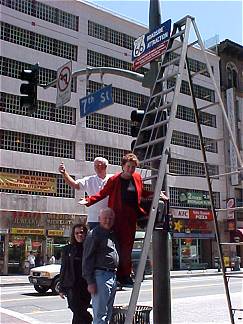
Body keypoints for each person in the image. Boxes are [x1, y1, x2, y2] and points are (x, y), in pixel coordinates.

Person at [79, 153, 154, 286]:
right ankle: (116, 274)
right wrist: (89, 200)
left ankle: (125, 275)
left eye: (133, 167)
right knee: (116, 246)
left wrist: (157, 194)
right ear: (123, 166)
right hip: (117, 218)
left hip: (131, 218)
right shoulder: (114, 179)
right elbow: (103, 193)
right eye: (129, 166)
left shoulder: (137, 177)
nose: (131, 169)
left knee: (127, 248)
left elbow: (142, 193)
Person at [82, 208, 119, 324]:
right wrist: (90, 282)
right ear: (99, 219)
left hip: (111, 276)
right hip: (100, 277)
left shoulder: (111, 234)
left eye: (110, 218)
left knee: (107, 314)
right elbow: (87, 259)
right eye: (105, 218)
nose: (108, 221)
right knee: (100, 315)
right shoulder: (94, 234)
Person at [59, 157, 112, 229]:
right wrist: (64, 173)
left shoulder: (112, 179)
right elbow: (75, 184)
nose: (97, 168)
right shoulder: (89, 180)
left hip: (110, 219)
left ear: (105, 166)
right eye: (95, 166)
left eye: (100, 166)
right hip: (94, 219)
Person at [59, 223, 92, 324]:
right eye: (76, 233)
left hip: (86, 286)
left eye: (81, 232)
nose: (79, 235)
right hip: (72, 286)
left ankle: (88, 320)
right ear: (73, 235)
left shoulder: (90, 248)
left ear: (86, 234)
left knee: (79, 312)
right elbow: (64, 268)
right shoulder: (67, 249)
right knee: (76, 309)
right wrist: (61, 288)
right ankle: (89, 319)